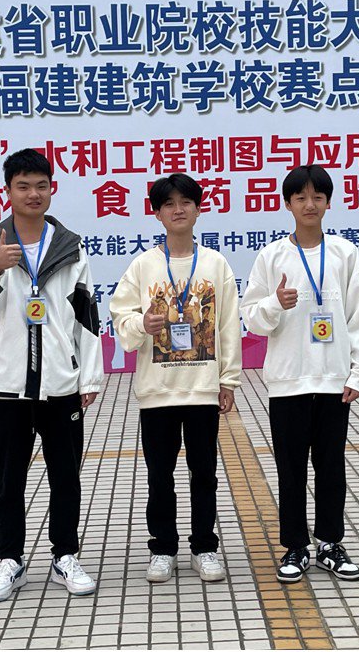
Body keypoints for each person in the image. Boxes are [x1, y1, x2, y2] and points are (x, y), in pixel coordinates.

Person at [0, 148, 103, 601]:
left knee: (66, 477)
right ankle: (11, 561)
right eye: (23, 186)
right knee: (8, 480)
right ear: (7, 191)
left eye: (41, 185)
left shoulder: (71, 247)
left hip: (61, 383)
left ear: (52, 189)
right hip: (6, 386)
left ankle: (65, 556)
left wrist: (89, 378)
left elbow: (86, 317)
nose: (33, 194)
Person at [240, 165, 359, 584]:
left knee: (331, 467)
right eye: (301, 197)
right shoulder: (272, 256)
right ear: (288, 204)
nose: (309, 204)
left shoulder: (344, 253)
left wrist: (357, 373)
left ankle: (330, 543)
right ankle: (295, 546)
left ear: (329, 202)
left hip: (334, 380)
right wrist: (275, 304)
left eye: (318, 197)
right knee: (291, 468)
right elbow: (251, 317)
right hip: (288, 381)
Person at [109, 173, 242, 584]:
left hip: (202, 389)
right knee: (159, 476)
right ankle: (163, 548)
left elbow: (227, 326)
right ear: (157, 213)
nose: (178, 209)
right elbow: (120, 315)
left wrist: (228, 380)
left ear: (199, 209)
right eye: (169, 204)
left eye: (186, 202)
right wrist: (142, 324)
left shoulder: (216, 264)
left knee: (205, 474)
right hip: (158, 392)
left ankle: (204, 547)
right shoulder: (143, 265)